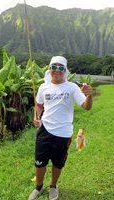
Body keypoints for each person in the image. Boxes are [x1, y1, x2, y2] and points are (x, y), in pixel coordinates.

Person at [28, 56, 92, 200]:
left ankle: (53, 186)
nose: (57, 70)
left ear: (65, 70)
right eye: (54, 67)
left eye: (61, 67)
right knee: (39, 163)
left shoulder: (72, 87)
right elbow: (38, 104)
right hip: (44, 130)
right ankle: (38, 187)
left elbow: (86, 107)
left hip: (63, 133)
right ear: (49, 69)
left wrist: (88, 96)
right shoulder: (44, 87)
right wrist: (36, 117)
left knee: (58, 163)